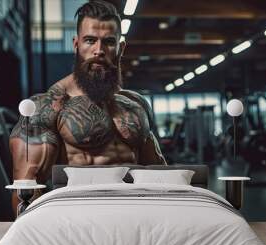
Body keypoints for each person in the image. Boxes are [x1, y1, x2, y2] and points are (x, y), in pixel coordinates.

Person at [9, 0, 166, 216]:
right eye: (90, 40)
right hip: (80, 215)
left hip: (136, 214)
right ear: (76, 45)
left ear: (120, 49)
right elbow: (26, 187)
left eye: (108, 42)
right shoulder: (48, 106)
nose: (98, 50)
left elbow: (158, 172)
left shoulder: (136, 103)